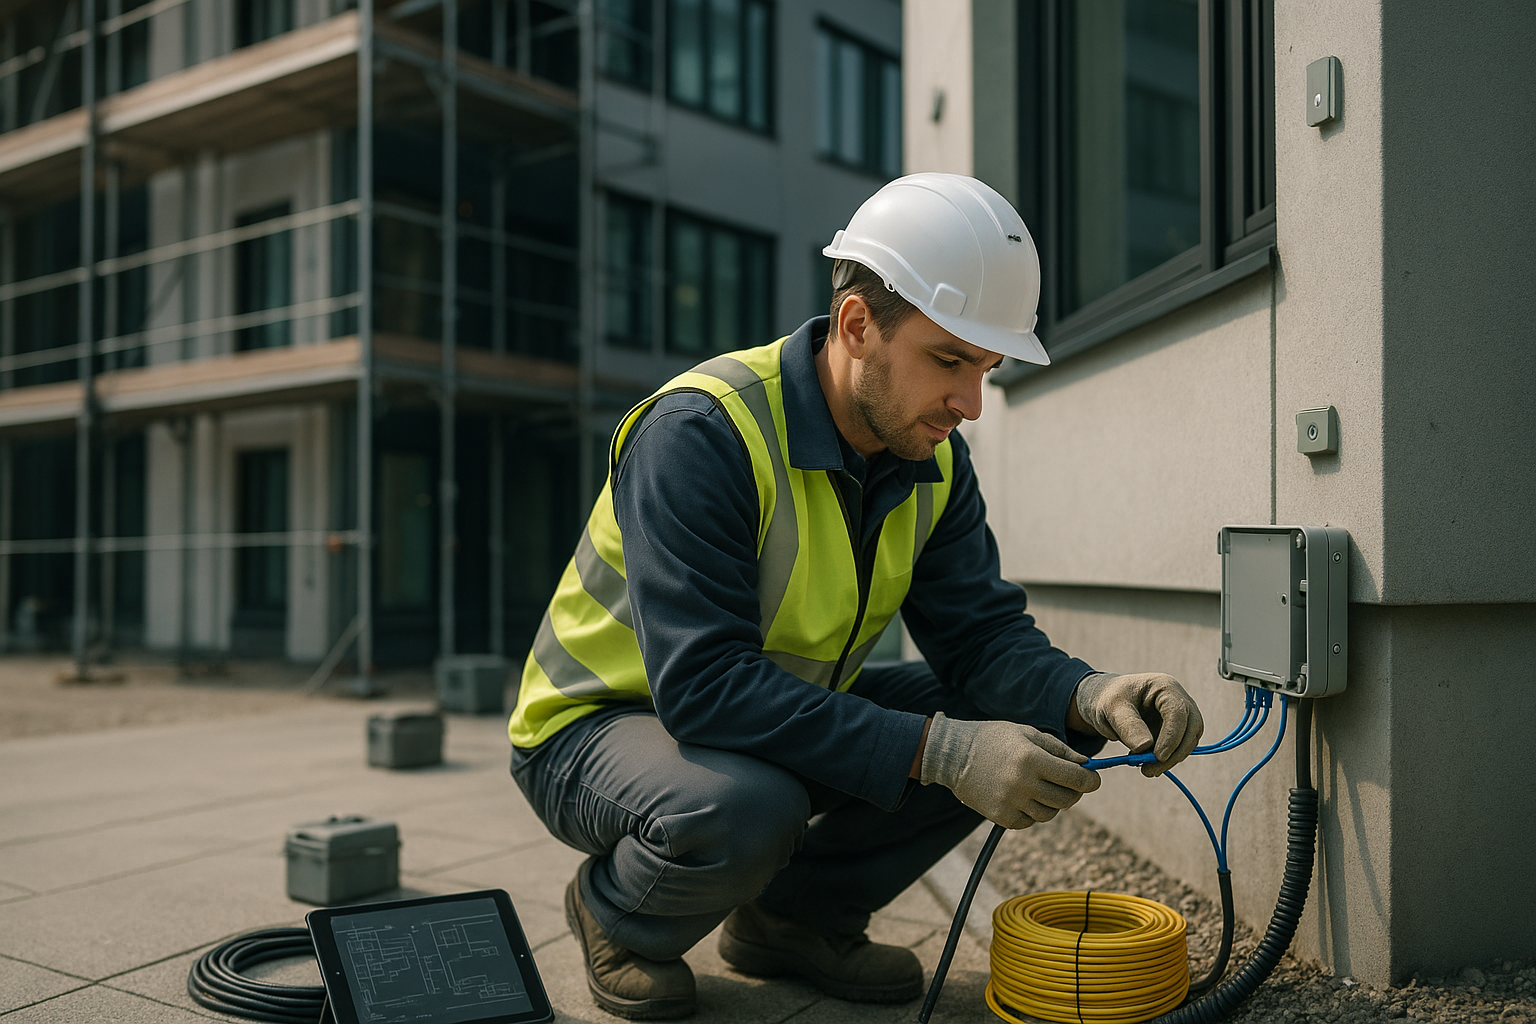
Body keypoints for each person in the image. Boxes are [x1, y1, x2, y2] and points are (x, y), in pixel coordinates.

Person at [508, 173, 1204, 1020]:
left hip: (758, 711)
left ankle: (795, 920)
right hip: (596, 728)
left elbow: (980, 641)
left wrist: (1092, 695)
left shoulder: (934, 459)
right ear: (856, 325)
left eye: (985, 368)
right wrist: (945, 754)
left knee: (1028, 719)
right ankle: (614, 913)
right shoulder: (703, 434)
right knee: (747, 808)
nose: (969, 403)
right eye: (948, 361)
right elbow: (704, 688)